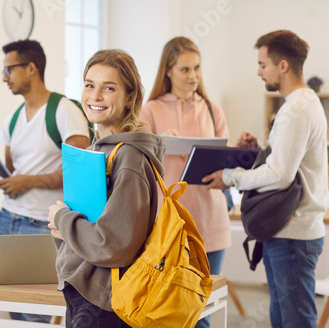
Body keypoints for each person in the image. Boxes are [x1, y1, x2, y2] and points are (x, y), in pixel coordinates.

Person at [204, 30, 328, 328]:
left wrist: (230, 176)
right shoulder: (303, 104)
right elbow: (287, 164)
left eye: (263, 64)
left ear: (283, 66)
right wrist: (257, 152)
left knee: (295, 321)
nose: (259, 72)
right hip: (290, 233)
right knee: (284, 318)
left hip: (292, 234)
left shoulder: (295, 109)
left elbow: (280, 175)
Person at [0, 39, 90, 323]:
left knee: (38, 310)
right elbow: (13, 174)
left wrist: (27, 181)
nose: (4, 77)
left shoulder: (64, 111)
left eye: (9, 69)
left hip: (42, 224)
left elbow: (79, 172)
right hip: (8, 218)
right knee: (14, 308)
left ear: (32, 68)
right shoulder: (11, 120)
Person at [48, 49, 165, 327]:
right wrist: (62, 225)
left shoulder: (129, 157)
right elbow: (92, 224)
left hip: (105, 302)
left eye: (108, 88)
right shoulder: (94, 151)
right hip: (84, 290)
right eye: (89, 85)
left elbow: (114, 244)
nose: (95, 96)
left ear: (130, 98)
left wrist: (63, 220)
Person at [139, 36, 230, 328]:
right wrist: (163, 146)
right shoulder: (150, 110)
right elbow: (140, 167)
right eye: (185, 70)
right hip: (170, 225)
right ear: (168, 70)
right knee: (174, 310)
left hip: (212, 220)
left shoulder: (213, 109)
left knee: (202, 307)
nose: (193, 76)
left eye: (197, 68)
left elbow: (225, 171)